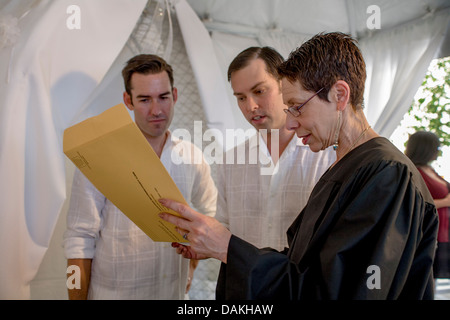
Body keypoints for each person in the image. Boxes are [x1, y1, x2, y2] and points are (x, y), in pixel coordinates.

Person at [159, 32, 439, 299]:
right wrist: (218, 243)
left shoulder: (387, 175)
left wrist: (228, 247)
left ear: (339, 95)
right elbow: (303, 264)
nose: (290, 122)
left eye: (296, 105)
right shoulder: (346, 166)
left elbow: (338, 290)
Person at [63, 54, 217, 299]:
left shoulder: (192, 157)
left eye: (163, 97)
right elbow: (79, 238)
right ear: (128, 100)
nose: (156, 110)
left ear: (175, 95)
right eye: (144, 99)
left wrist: (191, 267)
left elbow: (210, 216)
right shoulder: (99, 157)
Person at [216, 47, 335, 250]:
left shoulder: (327, 157)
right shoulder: (229, 162)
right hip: (246, 281)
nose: (250, 106)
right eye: (241, 97)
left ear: (284, 84)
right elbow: (222, 230)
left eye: (259, 91)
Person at [406, 131, 450, 279]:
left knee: (434, 278)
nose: (438, 152)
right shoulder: (413, 171)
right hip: (426, 232)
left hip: (442, 232)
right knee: (423, 278)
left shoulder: (430, 169)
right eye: (436, 148)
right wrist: (445, 202)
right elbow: (414, 202)